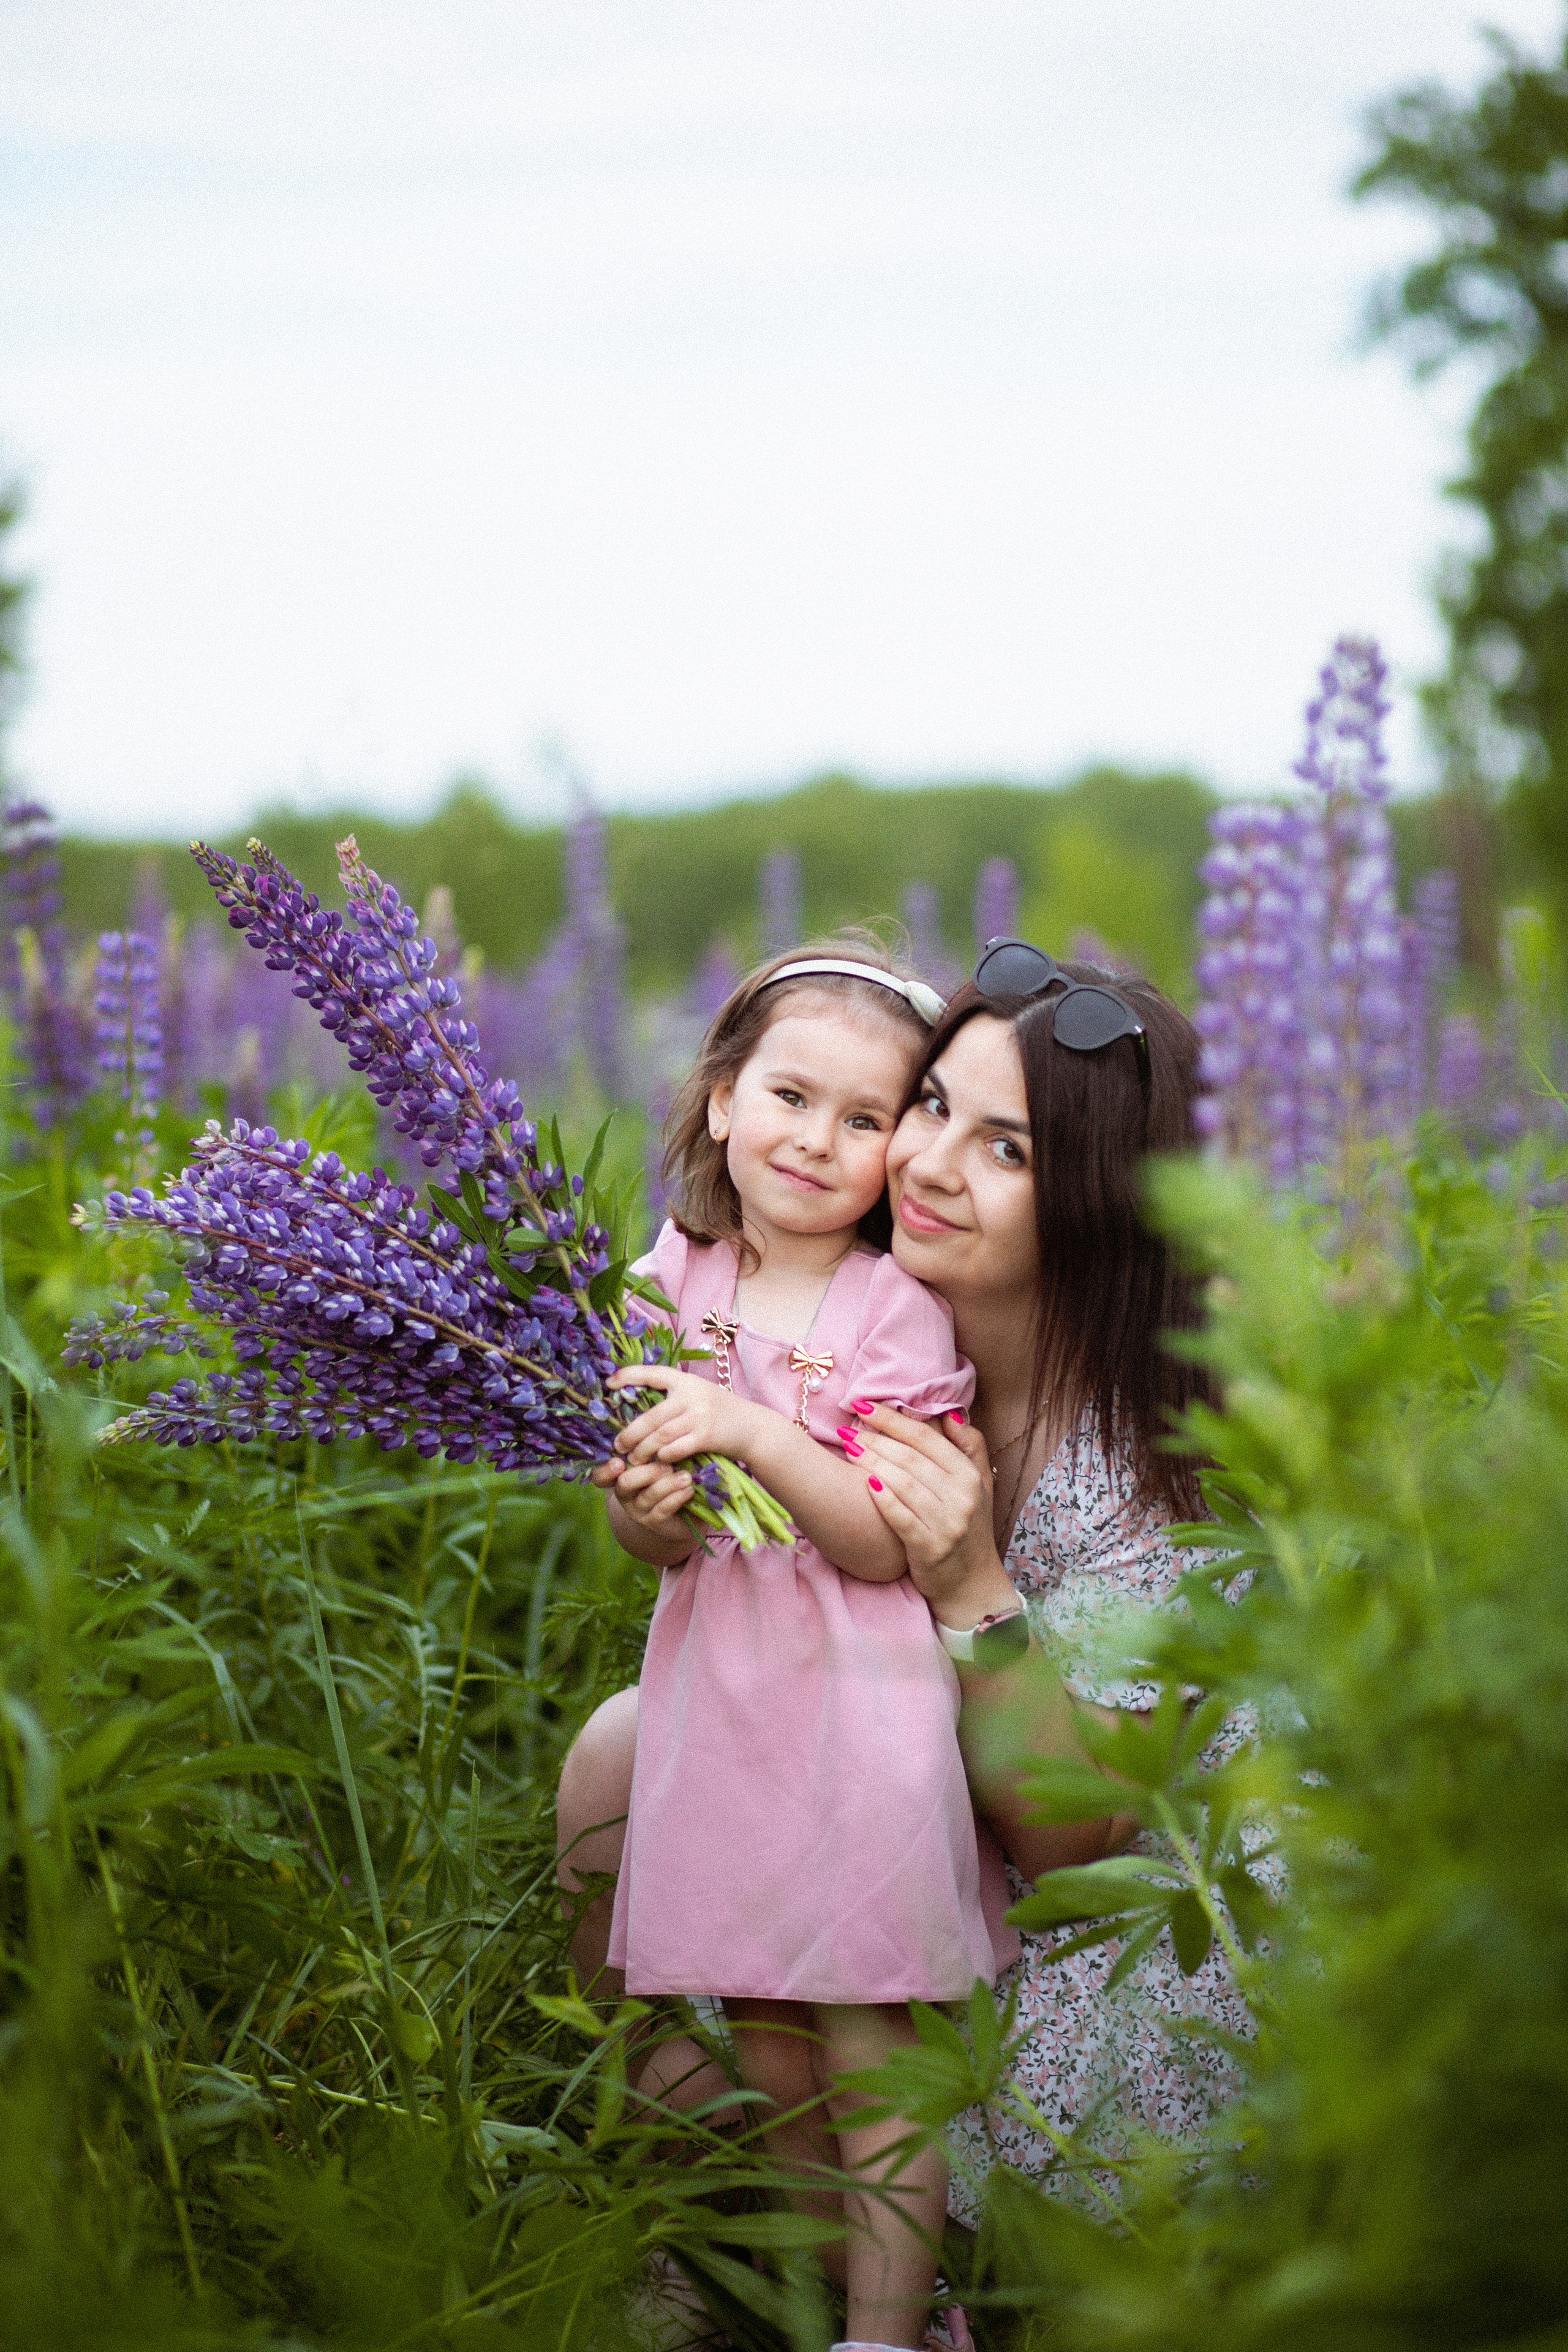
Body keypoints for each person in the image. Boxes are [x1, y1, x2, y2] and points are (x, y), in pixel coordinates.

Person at [562, 943, 1250, 2276]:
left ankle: (895, 2269)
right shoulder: (841, 1311)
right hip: (862, 1800)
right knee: (612, 1754)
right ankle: (730, 2213)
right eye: (930, 1108)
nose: (928, 1164)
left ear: (1100, 1202)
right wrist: (659, 1508)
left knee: (900, 2083)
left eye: (1007, 1151)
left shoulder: (1146, 1451)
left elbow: (1075, 1844)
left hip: (1087, 1926)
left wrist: (972, 1593)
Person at [592, 942, 1017, 2352]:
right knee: (769, 2040)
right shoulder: (668, 1277)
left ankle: (890, 2333)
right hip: (727, 1702)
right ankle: (811, 2298)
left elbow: (885, 1540)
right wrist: (648, 1514)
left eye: (861, 1120)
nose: (817, 1141)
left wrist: (753, 1428)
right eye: (788, 1096)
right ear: (717, 1101)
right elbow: (658, 1536)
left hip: (857, 1714)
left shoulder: (895, 1313)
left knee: (867, 2042)